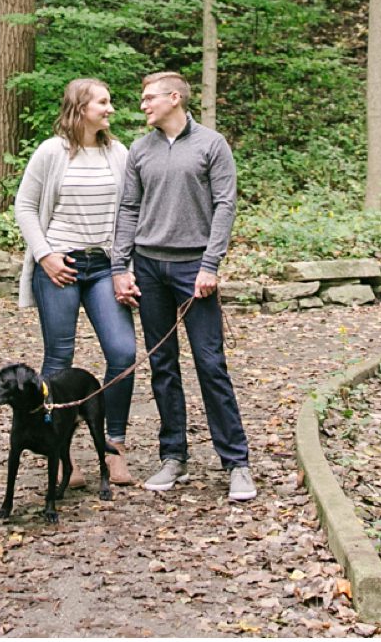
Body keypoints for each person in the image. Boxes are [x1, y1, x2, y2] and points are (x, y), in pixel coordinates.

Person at [111, 71, 255, 502]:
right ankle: (174, 455)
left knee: (210, 364)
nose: (143, 105)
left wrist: (210, 265)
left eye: (149, 97)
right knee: (162, 366)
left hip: (195, 269)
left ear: (175, 98)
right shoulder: (140, 149)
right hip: (149, 269)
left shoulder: (212, 144)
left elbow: (225, 205)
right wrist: (121, 265)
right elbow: (129, 207)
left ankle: (236, 463)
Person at [12, 77, 138, 485]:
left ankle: (113, 445)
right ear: (80, 106)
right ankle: (60, 452)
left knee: (122, 353)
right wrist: (45, 255)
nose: (111, 109)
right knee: (58, 360)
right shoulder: (51, 152)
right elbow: (25, 207)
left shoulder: (117, 153)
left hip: (104, 266)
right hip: (60, 267)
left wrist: (125, 266)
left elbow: (131, 211)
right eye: (103, 102)